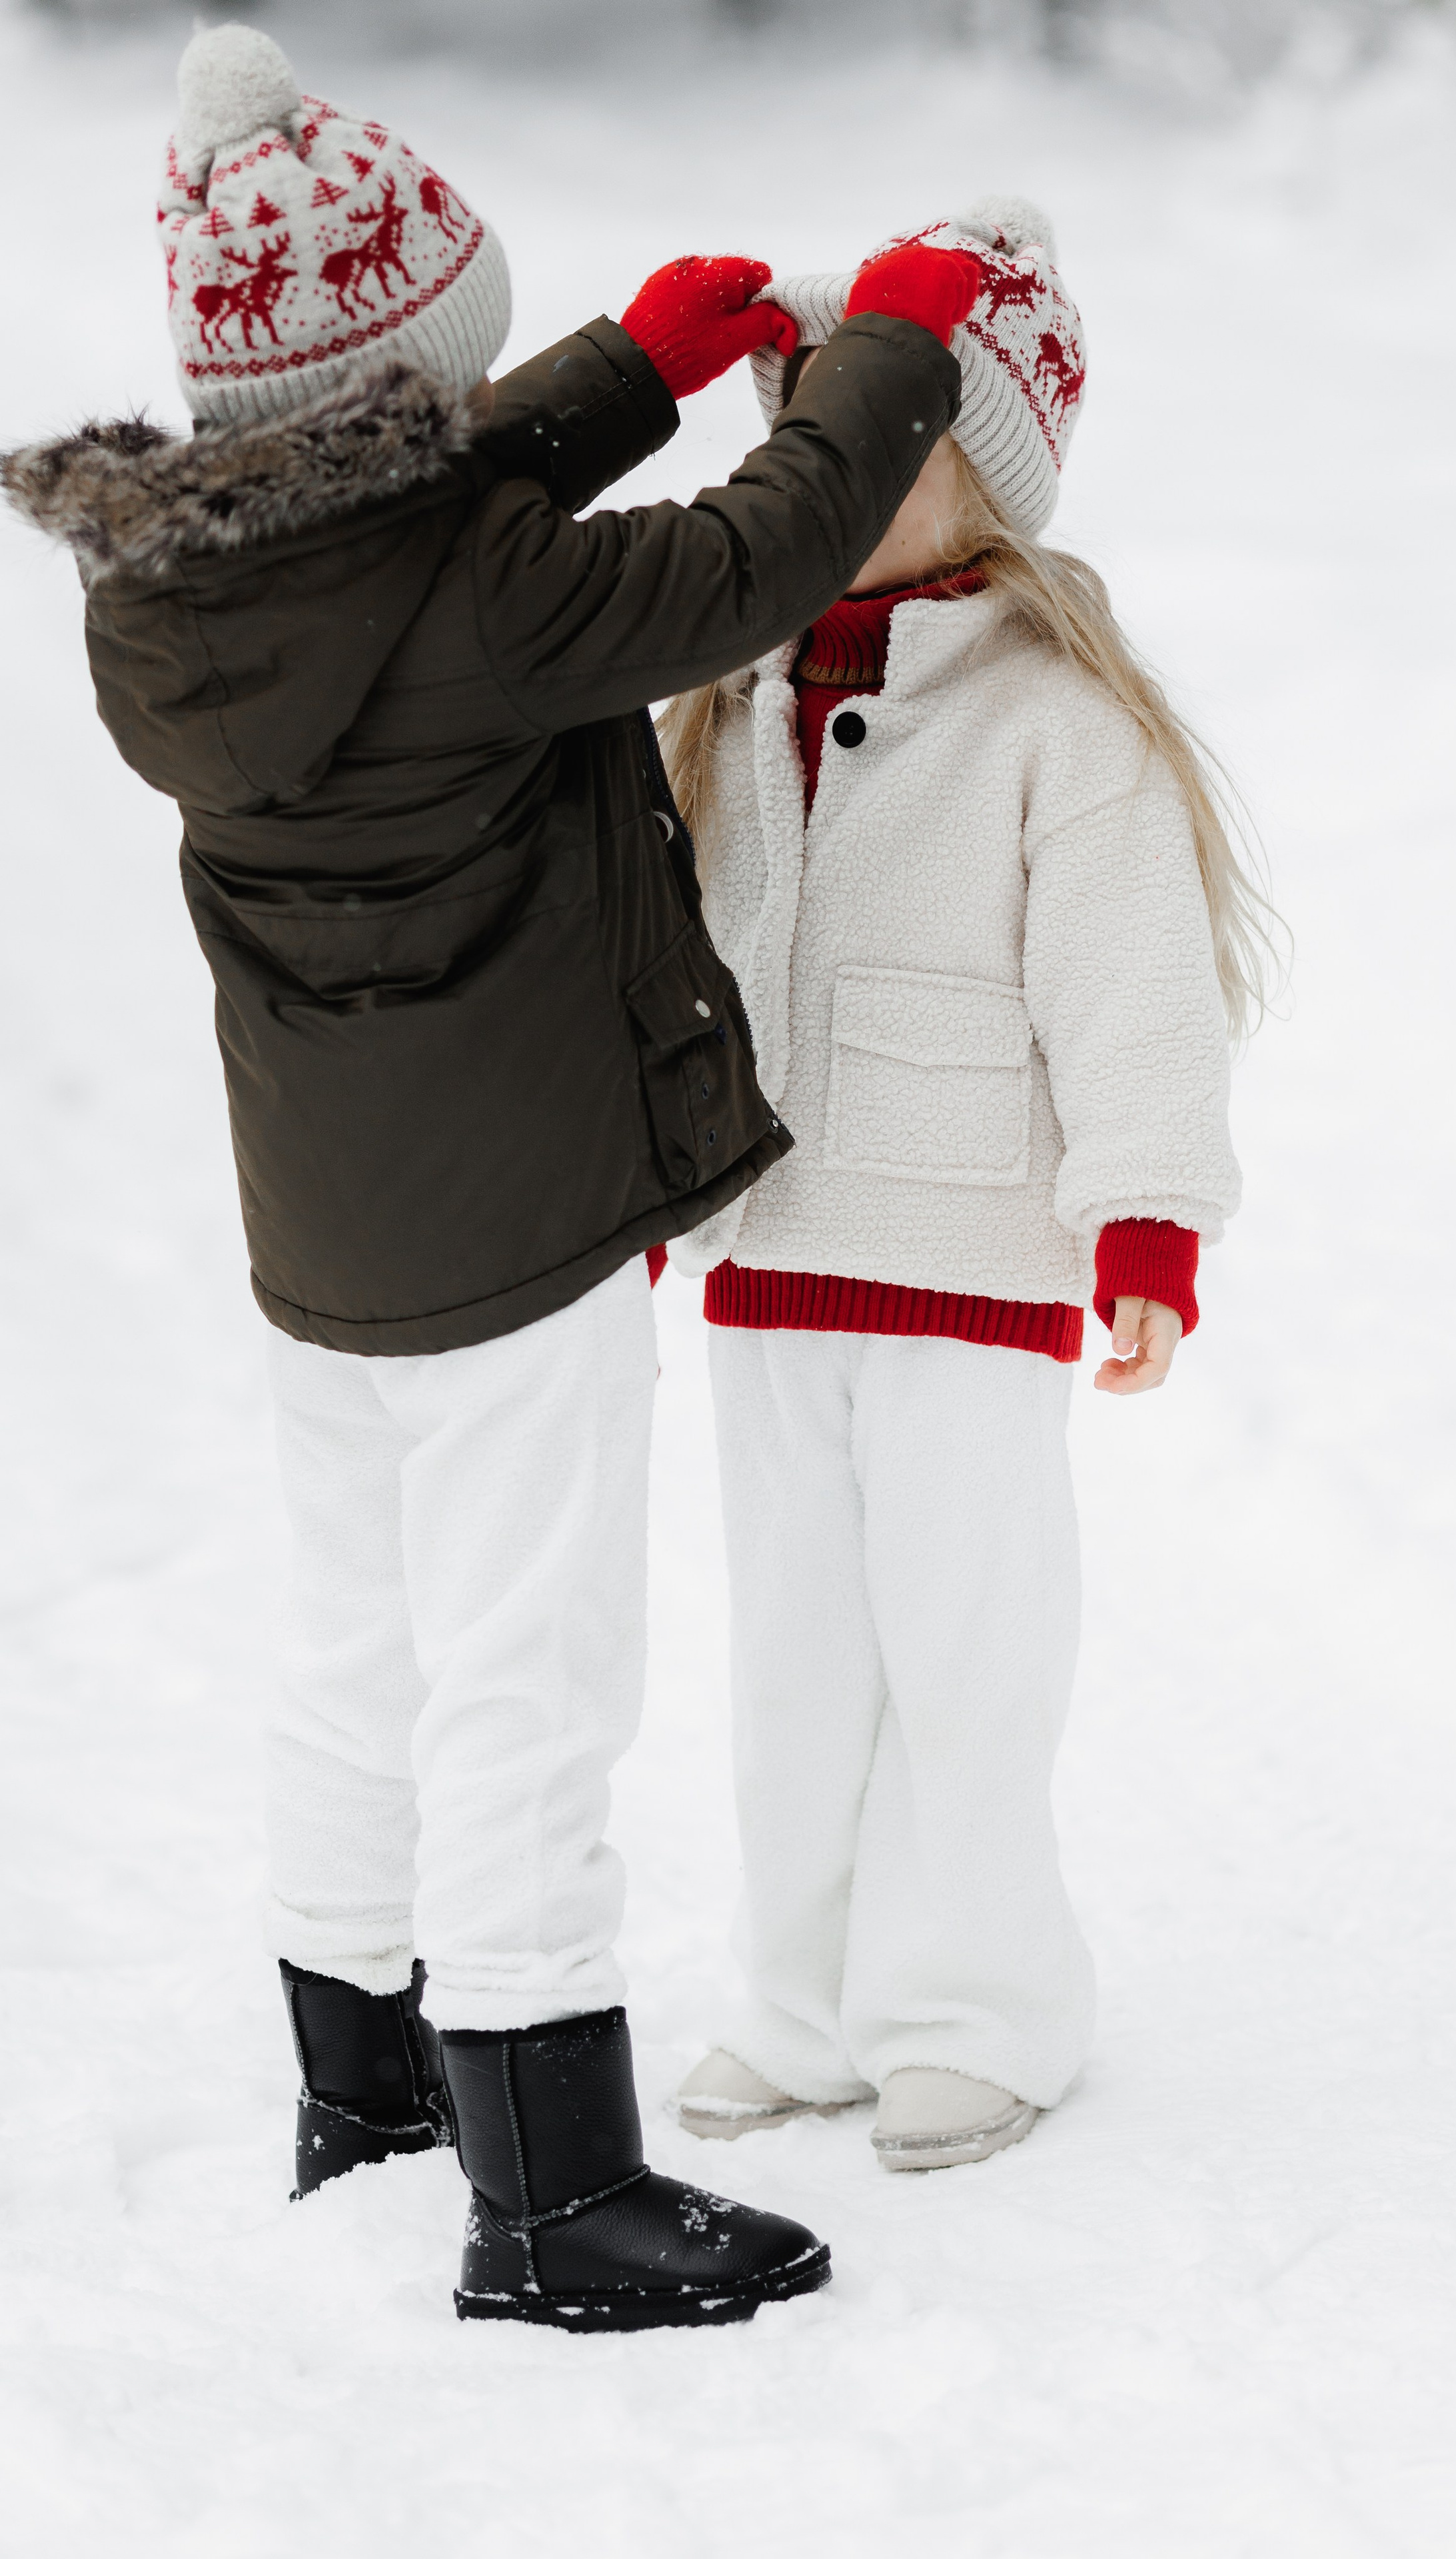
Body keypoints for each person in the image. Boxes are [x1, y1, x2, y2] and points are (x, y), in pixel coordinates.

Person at [1, 25, 980, 2328]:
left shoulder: (180, 601)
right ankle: (551, 2193)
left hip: (326, 1240)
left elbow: (398, 510)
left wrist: (617, 373)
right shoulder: (498, 602)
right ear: (398, 374)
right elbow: (767, 552)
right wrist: (895, 347)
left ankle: (361, 2090)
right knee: (529, 1679)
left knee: (358, 1657)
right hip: (520, 1242)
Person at [661, 200, 1271, 2172]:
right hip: (773, 1267)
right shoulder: (732, 694)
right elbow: (679, 951)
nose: (833, 491)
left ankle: (982, 2008)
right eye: (804, 443)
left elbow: (1135, 991)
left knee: (965, 1653)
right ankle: (805, 2001)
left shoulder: (1050, 724)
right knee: (792, 1663)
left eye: (887, 452)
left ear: (985, 481)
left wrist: (1145, 1222)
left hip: (963, 1267)